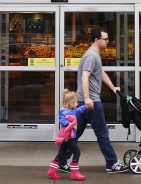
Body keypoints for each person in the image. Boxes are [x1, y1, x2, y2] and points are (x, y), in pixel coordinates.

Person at [59, 27, 128, 174]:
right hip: (91, 103)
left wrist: (112, 87)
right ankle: (112, 163)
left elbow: (100, 72)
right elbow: (85, 76)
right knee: (102, 134)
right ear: (96, 40)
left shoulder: (94, 55)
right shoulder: (92, 56)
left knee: (74, 134)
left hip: (84, 102)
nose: (108, 41)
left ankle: (61, 162)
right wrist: (89, 98)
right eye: (105, 39)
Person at [48, 89, 88, 180]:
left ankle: (52, 170)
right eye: (76, 102)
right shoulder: (65, 112)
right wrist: (71, 124)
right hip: (68, 137)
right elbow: (62, 121)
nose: (77, 104)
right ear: (70, 103)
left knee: (62, 153)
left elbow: (78, 110)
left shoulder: (72, 110)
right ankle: (75, 173)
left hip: (66, 137)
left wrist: (86, 106)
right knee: (77, 152)